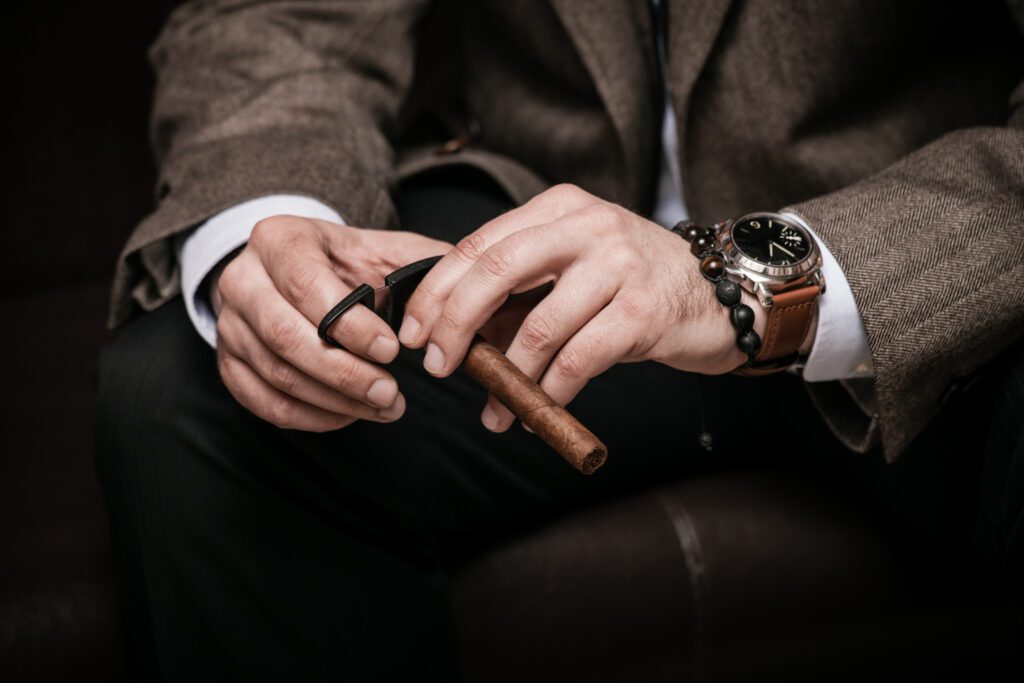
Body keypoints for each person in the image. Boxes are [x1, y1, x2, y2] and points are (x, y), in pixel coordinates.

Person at [95, 0, 1024, 679]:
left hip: (919, 251)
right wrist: (271, 216)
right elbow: (284, 18)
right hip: (537, 226)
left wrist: (743, 281)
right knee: (195, 400)